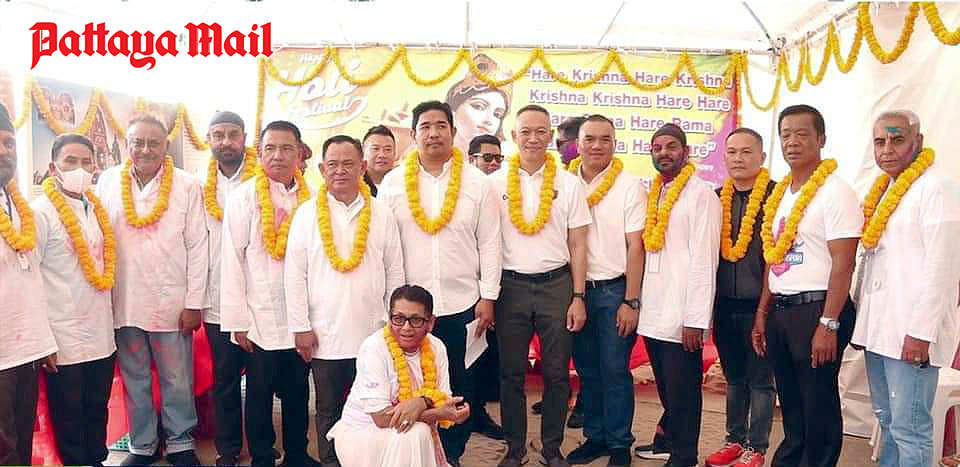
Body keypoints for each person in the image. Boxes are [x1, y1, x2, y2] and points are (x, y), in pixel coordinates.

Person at [378, 100, 502, 467]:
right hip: (410, 313)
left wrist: (488, 296)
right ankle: (416, 454)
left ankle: (453, 455)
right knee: (410, 383)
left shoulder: (477, 183)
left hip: (463, 303)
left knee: (460, 385)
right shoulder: (393, 184)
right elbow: (387, 246)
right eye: (425, 127)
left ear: (453, 131)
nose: (433, 133)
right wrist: (391, 304)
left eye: (440, 126)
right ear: (413, 134)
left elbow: (490, 242)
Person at [752, 105, 862, 467]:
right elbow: (773, 256)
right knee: (792, 402)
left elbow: (844, 263)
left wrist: (828, 323)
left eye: (802, 134)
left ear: (821, 139)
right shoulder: (782, 193)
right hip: (782, 309)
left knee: (818, 404)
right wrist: (763, 311)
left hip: (818, 310)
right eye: (786, 135)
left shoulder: (836, 192)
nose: (792, 142)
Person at [95, 114, 208, 466]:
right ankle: (142, 445)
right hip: (124, 299)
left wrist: (194, 303)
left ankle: (180, 443)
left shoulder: (187, 185)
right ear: (126, 144)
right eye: (137, 142)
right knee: (135, 377)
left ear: (166, 146)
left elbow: (198, 245)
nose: (144, 149)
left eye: (153, 143)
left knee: (177, 378)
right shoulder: (108, 181)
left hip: (171, 299)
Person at [285, 134, 405, 466]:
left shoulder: (381, 213)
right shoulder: (306, 215)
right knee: (328, 408)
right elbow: (294, 275)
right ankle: (331, 462)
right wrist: (300, 327)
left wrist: (395, 323)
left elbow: (395, 270)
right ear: (322, 169)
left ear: (362, 167)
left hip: (374, 331)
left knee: (375, 405)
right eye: (333, 164)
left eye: (348, 164)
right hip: (325, 334)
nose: (340, 171)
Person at [851, 111, 960, 467]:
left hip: (911, 335)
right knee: (887, 420)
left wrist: (920, 333)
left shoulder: (937, 188)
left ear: (918, 142)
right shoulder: (884, 190)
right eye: (879, 141)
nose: (887, 149)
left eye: (897, 140)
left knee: (910, 428)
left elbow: (943, 269)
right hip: (878, 331)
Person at [489, 104, 591, 467]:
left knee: (557, 373)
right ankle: (515, 447)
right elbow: (486, 243)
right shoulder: (493, 184)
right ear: (513, 136)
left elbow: (578, 244)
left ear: (550, 136)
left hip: (556, 286)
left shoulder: (569, 183)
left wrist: (578, 296)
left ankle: (551, 447)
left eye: (540, 131)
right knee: (511, 374)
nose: (533, 138)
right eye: (525, 132)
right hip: (510, 287)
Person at [219, 120, 317, 467]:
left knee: (297, 391)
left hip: (300, 316)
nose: (278, 156)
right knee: (259, 395)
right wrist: (238, 321)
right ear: (259, 153)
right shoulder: (244, 197)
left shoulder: (313, 199)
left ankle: (297, 454)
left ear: (299, 153)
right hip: (258, 315)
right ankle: (262, 456)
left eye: (286, 148)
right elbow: (231, 259)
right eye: (270, 148)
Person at [631, 123, 721, 467]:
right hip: (655, 308)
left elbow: (705, 260)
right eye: (657, 148)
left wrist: (695, 320)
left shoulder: (701, 195)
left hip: (682, 312)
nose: (664, 153)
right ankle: (668, 442)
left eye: (671, 147)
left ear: (686, 152)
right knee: (667, 388)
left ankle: (684, 456)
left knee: (683, 391)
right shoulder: (656, 191)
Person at [563, 115, 646, 467]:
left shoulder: (629, 186)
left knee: (614, 370)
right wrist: (575, 296)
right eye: (590, 139)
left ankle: (619, 444)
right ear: (577, 145)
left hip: (614, 291)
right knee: (588, 370)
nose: (597, 146)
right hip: (574, 292)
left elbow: (636, 246)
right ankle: (595, 437)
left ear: (614, 143)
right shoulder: (564, 183)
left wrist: (631, 300)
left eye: (605, 139)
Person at [32, 133, 116, 467]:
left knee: (97, 408)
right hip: (62, 335)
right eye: (70, 161)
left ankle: (97, 460)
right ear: (54, 167)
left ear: (95, 167)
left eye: (86, 162)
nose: (79, 168)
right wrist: (43, 340)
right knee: (69, 415)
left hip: (101, 332)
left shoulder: (96, 208)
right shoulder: (40, 212)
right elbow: (30, 279)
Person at [327, 285, 471, 467]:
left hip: (407, 434)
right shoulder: (374, 348)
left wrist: (423, 402)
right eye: (399, 319)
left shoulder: (436, 347)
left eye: (416, 320)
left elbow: (443, 399)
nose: (406, 328)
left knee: (417, 431)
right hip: (363, 434)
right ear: (389, 318)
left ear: (431, 323)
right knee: (416, 432)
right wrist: (436, 412)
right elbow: (381, 418)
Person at [704, 128, 776, 467]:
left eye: (747, 152)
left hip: (762, 306)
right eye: (732, 152)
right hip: (724, 305)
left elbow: (778, 259)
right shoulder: (715, 199)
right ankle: (734, 440)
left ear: (762, 157)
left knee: (760, 381)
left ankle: (756, 448)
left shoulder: (777, 197)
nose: (738, 159)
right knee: (734, 378)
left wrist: (764, 308)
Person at [0, 103, 59, 466]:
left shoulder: (21, 209)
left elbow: (31, 277)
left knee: (21, 438)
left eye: (9, 143)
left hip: (24, 349)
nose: (4, 151)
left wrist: (43, 341)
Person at [200, 110, 255, 466]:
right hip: (217, 300)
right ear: (209, 140)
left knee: (261, 381)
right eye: (218, 135)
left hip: (259, 300)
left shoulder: (262, 179)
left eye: (233, 134)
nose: (226, 142)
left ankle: (261, 444)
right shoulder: (197, 186)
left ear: (244, 138)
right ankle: (229, 449)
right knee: (225, 380)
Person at [446, 53, 512, 153]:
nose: (489, 120)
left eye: (497, 115)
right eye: (479, 107)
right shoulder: (432, 157)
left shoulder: (502, 161)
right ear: (453, 109)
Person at [362, 125, 399, 196]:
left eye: (388, 149)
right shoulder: (353, 182)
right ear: (363, 151)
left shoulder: (401, 181)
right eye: (375, 149)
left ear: (395, 153)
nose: (382, 155)